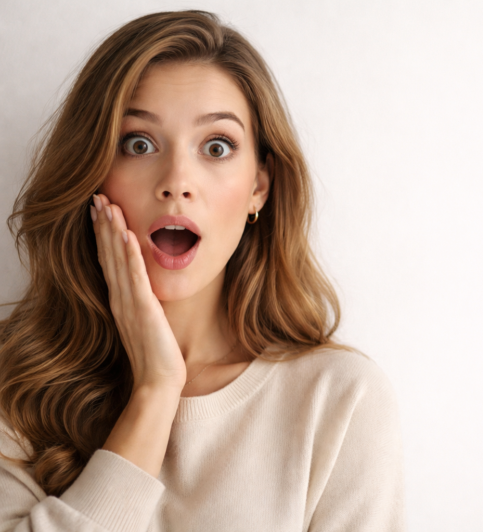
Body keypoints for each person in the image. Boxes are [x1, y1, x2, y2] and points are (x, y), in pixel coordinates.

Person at [0, 10, 404, 532]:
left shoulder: (340, 401)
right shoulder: (15, 385)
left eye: (216, 147)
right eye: (138, 143)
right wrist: (154, 391)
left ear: (259, 187)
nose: (176, 182)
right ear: (92, 174)